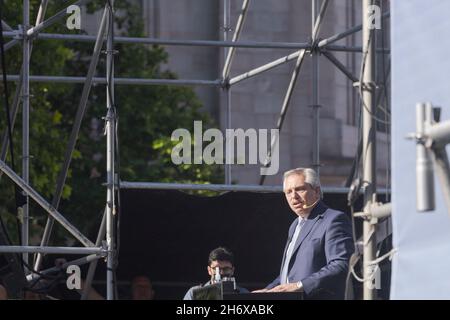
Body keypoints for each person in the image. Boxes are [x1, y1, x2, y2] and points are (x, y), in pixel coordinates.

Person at [254, 167, 354, 299]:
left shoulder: (334, 219)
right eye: (288, 192)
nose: (293, 196)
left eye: (300, 189)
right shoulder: (295, 225)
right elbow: (289, 274)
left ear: (317, 191)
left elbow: (341, 264)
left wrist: (300, 285)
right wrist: (268, 291)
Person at [183, 247, 248, 300]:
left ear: (232, 270)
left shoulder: (244, 294)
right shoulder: (195, 293)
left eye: (226, 269)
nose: (221, 272)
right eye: (216, 269)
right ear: (209, 270)